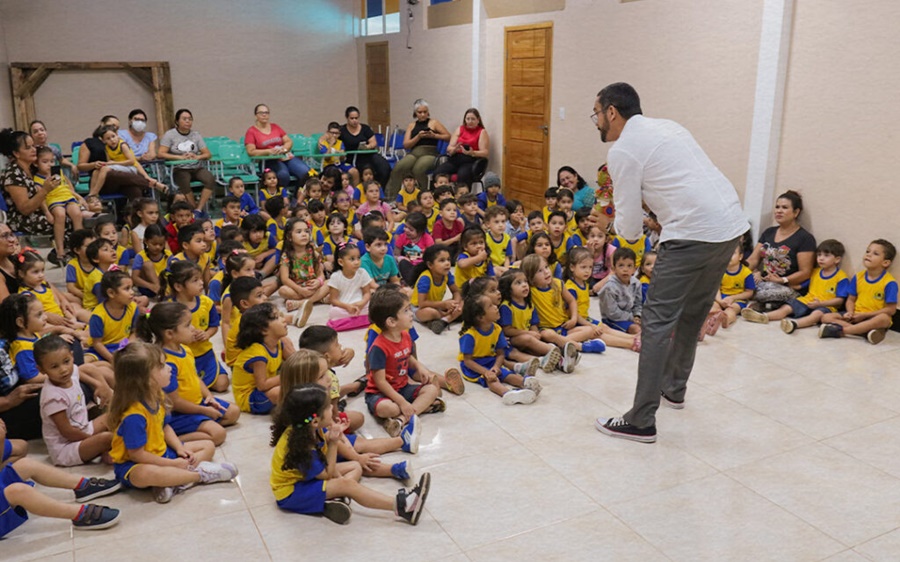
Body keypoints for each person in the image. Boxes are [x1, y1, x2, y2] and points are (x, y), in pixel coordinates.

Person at [591, 82, 749, 443]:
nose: (596, 121)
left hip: (691, 234)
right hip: (730, 227)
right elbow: (681, 184)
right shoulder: (669, 127)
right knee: (693, 313)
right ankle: (674, 389)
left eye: (596, 113)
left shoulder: (623, 150)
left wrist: (609, 225)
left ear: (612, 112)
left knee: (657, 322)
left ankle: (641, 420)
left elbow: (630, 229)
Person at [270, 384, 431, 525]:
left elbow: (327, 453)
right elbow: (327, 473)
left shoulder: (307, 428)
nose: (332, 408)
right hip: (292, 493)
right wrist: (334, 443)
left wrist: (337, 436)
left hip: (306, 478)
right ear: (315, 421)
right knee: (347, 485)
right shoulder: (301, 447)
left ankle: (336, 498)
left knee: (355, 466)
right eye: (327, 407)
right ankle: (404, 506)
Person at [108, 341, 238, 503]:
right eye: (162, 366)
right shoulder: (134, 416)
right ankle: (199, 475)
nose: (169, 368)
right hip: (135, 464)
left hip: (162, 451)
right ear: (146, 379)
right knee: (145, 474)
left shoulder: (157, 395)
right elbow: (137, 455)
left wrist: (179, 448)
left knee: (208, 445)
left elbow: (165, 426)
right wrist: (171, 463)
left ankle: (174, 481)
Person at [742, 239, 849, 333]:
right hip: (808, 300)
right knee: (787, 307)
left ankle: (794, 324)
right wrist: (786, 285)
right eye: (819, 255)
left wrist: (820, 304)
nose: (821, 258)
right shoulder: (815, 272)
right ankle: (764, 317)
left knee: (817, 314)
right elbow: (803, 285)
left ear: (837, 259)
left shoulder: (841, 277)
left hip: (827, 306)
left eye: (826, 256)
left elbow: (840, 300)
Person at [1, 129, 72, 256]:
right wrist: (45, 190)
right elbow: (25, 209)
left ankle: (66, 251)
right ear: (16, 153)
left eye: (33, 146)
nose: (34, 150)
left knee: (76, 213)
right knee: (66, 220)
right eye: (28, 148)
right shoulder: (13, 174)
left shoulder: (33, 168)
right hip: (22, 218)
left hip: (42, 209)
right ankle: (62, 252)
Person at [745, 190, 816, 309]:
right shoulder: (769, 232)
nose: (779, 211)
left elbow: (805, 272)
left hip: (787, 286)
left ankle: (762, 306)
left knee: (761, 293)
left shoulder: (805, 238)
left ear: (796, 212)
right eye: (777, 207)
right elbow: (753, 260)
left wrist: (782, 280)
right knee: (735, 283)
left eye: (784, 207)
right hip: (764, 282)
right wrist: (739, 273)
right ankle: (762, 305)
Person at [818, 239, 897, 344]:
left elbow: (891, 310)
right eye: (868, 251)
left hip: (873, 317)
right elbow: (851, 299)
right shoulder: (858, 277)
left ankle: (841, 331)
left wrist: (865, 315)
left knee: (884, 318)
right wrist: (850, 312)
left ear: (885, 262)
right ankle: (864, 332)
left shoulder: (889, 283)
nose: (868, 255)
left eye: (875, 253)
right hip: (856, 314)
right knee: (826, 317)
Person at [75, 116, 159, 200]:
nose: (114, 128)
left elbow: (132, 161)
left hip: (122, 179)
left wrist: (143, 166)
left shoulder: (119, 143)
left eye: (117, 128)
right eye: (112, 125)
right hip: (101, 182)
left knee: (134, 190)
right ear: (102, 124)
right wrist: (94, 164)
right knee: (110, 173)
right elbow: (80, 166)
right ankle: (151, 184)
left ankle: (138, 207)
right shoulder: (89, 143)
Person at [387, 99, 451, 198]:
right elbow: (406, 145)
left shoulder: (434, 122)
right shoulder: (411, 125)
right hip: (414, 152)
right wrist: (418, 137)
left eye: (425, 112)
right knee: (398, 167)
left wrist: (434, 136)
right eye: (420, 112)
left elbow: (448, 136)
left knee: (418, 169)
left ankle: (423, 195)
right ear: (415, 113)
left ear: (428, 112)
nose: (423, 115)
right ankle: (393, 196)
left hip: (430, 153)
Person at [158, 109, 216, 212]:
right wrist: (180, 157)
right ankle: (193, 208)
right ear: (177, 121)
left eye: (190, 119)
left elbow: (207, 154)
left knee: (210, 178)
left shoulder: (196, 135)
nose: (188, 121)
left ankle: (198, 209)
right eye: (184, 119)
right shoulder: (170, 135)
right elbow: (160, 153)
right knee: (184, 181)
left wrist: (197, 157)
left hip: (196, 167)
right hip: (179, 168)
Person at [244, 104, 310, 191]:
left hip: (285, 157)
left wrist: (284, 149)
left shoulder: (275, 127)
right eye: (261, 113)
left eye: (266, 112)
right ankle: (281, 196)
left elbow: (288, 141)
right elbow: (251, 151)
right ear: (256, 115)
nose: (264, 115)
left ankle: (297, 195)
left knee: (306, 173)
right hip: (268, 161)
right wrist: (269, 151)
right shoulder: (251, 131)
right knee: (283, 175)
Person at [433, 108, 490, 187]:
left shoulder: (482, 132)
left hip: (470, 160)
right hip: (455, 159)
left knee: (463, 175)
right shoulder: (460, 129)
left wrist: (472, 153)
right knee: (438, 172)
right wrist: (454, 149)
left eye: (473, 119)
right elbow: (449, 148)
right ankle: (440, 193)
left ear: (478, 120)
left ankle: (462, 194)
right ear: (465, 120)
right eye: (468, 119)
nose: (470, 121)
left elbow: (485, 152)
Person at [0, 223, 21, 302]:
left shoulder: (16, 259)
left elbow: (45, 285)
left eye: (11, 234)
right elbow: (8, 307)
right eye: (4, 236)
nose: (12, 240)